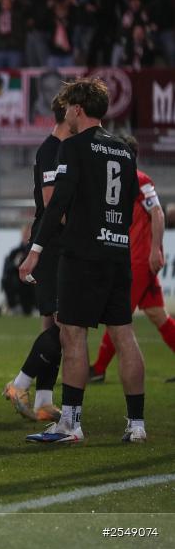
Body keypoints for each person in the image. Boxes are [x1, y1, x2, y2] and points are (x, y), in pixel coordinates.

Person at [19, 78, 146, 443]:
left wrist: (36, 251)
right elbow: (127, 202)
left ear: (76, 109)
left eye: (68, 110)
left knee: (72, 334)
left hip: (82, 254)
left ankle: (70, 424)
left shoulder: (72, 147)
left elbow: (57, 203)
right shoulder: (125, 149)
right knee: (124, 334)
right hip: (117, 252)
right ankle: (136, 425)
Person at [2, 94, 70, 422]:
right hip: (53, 246)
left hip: (52, 245)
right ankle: (19, 384)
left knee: (52, 324)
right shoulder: (53, 150)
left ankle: (43, 399)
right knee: (65, 328)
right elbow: (50, 200)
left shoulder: (60, 149)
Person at [89, 139, 175, 383]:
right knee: (159, 315)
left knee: (119, 312)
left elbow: (157, 213)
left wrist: (156, 249)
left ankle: (98, 369)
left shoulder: (140, 179)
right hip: (133, 259)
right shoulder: (121, 181)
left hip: (138, 262)